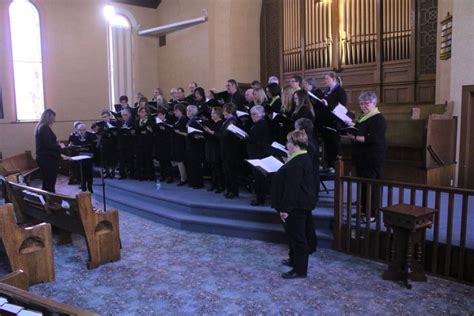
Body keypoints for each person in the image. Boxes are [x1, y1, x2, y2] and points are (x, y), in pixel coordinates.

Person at [271, 130, 317, 279]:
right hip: (300, 203)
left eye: (288, 142)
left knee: (298, 239)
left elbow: (292, 189)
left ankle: (300, 270)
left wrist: (285, 209)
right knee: (293, 236)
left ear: (296, 145)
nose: (286, 145)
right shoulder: (300, 157)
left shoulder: (297, 162)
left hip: (296, 206)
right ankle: (293, 261)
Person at [343, 91, 386, 223]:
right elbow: (360, 129)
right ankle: (363, 211)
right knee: (363, 185)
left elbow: (373, 138)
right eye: (361, 103)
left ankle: (371, 214)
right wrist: (351, 126)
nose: (363, 106)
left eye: (366, 103)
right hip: (362, 157)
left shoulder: (378, 119)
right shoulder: (364, 116)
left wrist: (354, 137)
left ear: (374, 103)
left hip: (372, 157)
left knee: (371, 187)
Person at [320, 72, 348, 172]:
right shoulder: (327, 91)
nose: (325, 81)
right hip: (325, 121)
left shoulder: (340, 90)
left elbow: (342, 107)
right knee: (328, 145)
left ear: (333, 79)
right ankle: (330, 165)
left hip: (334, 122)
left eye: (327, 79)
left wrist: (328, 104)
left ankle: (337, 167)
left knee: (335, 144)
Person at [247, 105, 272, 206]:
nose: (253, 116)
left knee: (260, 177)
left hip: (259, 154)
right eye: (251, 114)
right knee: (258, 177)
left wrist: (248, 138)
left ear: (261, 114)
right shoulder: (257, 124)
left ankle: (260, 199)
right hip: (255, 153)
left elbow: (259, 140)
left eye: (255, 114)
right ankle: (259, 197)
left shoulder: (262, 125)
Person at [34, 109, 61, 193]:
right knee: (50, 181)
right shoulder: (44, 128)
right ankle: (51, 200)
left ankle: (46, 199)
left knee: (47, 181)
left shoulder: (40, 126)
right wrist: (59, 146)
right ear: (49, 117)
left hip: (44, 158)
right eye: (53, 118)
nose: (54, 120)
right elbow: (48, 145)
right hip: (47, 159)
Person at [220, 103, 243, 199]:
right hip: (226, 149)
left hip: (231, 151)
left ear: (228, 111)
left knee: (232, 172)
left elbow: (231, 135)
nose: (222, 112)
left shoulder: (233, 121)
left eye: (224, 110)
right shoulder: (227, 121)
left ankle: (234, 191)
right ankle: (229, 189)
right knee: (227, 171)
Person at [203, 107, 224, 193]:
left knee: (218, 168)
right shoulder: (212, 123)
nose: (211, 114)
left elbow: (220, 136)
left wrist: (210, 132)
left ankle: (220, 185)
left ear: (217, 114)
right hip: (210, 147)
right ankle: (214, 184)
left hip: (217, 149)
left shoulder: (221, 123)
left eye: (212, 113)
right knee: (212, 167)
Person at [70, 123, 96, 192]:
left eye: (83, 130)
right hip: (80, 158)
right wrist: (75, 148)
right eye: (80, 130)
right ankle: (83, 186)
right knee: (81, 173)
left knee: (89, 173)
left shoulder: (90, 136)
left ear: (85, 129)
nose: (81, 132)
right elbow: (73, 147)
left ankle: (90, 186)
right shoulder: (75, 137)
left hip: (88, 157)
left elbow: (94, 146)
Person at [185, 105, 205, 189]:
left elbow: (200, 133)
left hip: (196, 145)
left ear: (192, 112)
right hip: (190, 144)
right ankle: (193, 181)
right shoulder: (190, 121)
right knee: (191, 164)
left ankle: (198, 183)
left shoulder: (196, 121)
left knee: (196, 165)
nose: (187, 112)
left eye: (188, 111)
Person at [134, 105, 156, 181]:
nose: (141, 113)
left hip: (148, 142)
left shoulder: (150, 119)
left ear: (146, 113)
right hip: (139, 142)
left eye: (143, 112)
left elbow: (150, 130)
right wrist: (142, 131)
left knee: (148, 159)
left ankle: (150, 175)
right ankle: (141, 175)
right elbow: (136, 131)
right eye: (140, 112)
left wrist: (144, 131)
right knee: (140, 159)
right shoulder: (137, 120)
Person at [171, 103, 189, 186]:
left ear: (181, 111)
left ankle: (183, 178)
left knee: (181, 160)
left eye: (176, 111)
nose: (175, 112)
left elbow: (184, 130)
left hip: (182, 142)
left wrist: (178, 131)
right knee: (179, 160)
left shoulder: (184, 119)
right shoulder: (177, 119)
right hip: (177, 142)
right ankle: (182, 177)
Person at [155, 109, 174, 183]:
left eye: (161, 115)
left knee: (167, 161)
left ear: (164, 115)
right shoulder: (157, 123)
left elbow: (170, 131)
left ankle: (170, 176)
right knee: (161, 161)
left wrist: (165, 128)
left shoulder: (168, 122)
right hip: (159, 143)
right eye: (158, 115)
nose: (159, 116)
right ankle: (162, 175)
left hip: (167, 144)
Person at [117, 108, 135, 179]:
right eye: (123, 115)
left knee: (130, 159)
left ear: (129, 115)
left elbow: (134, 131)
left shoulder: (132, 122)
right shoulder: (121, 123)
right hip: (122, 143)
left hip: (129, 143)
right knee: (121, 159)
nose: (124, 116)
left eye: (125, 115)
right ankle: (122, 174)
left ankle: (132, 174)